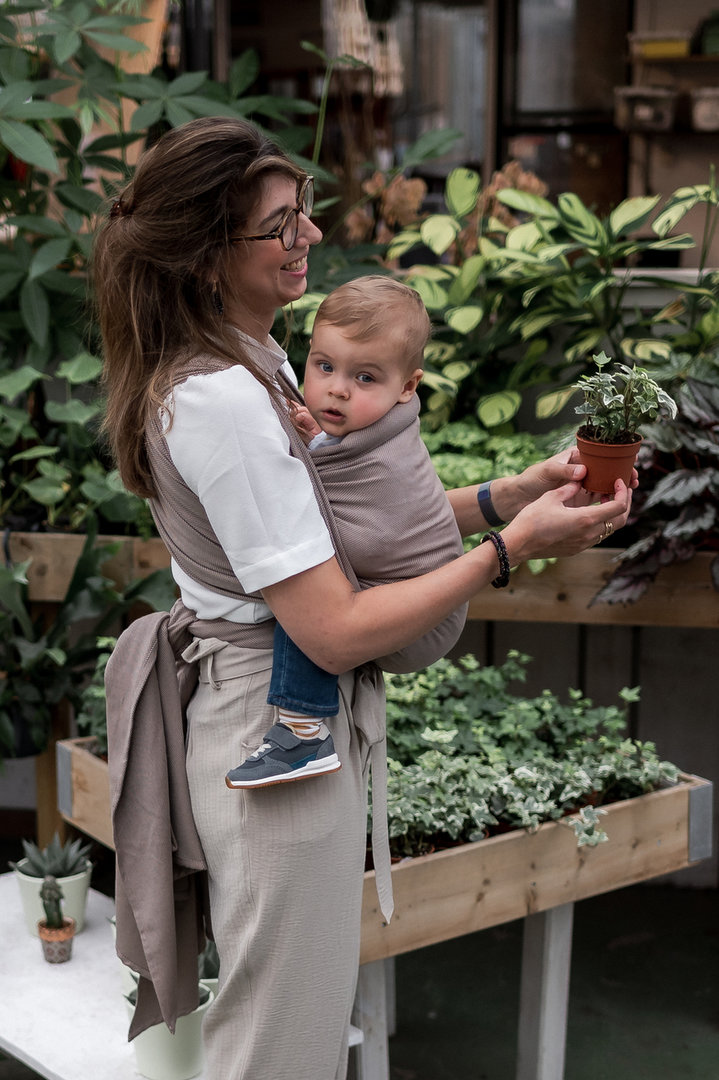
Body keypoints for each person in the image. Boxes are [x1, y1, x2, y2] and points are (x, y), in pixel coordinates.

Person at [93, 116, 633, 1080]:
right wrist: (510, 548)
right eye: (279, 224)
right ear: (209, 253)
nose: (307, 236)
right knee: (278, 1048)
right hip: (275, 735)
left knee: (283, 1029)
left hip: (268, 724)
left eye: (303, 213)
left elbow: (347, 534)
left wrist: (511, 495)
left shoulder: (251, 360)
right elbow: (332, 630)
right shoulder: (223, 399)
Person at [226, 275, 467, 790]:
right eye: (325, 366)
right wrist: (317, 442)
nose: (336, 388)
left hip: (424, 615)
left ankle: (302, 731)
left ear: (407, 387)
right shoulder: (368, 433)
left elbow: (364, 526)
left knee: (304, 581)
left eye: (365, 378)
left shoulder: (388, 462)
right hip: (422, 593)